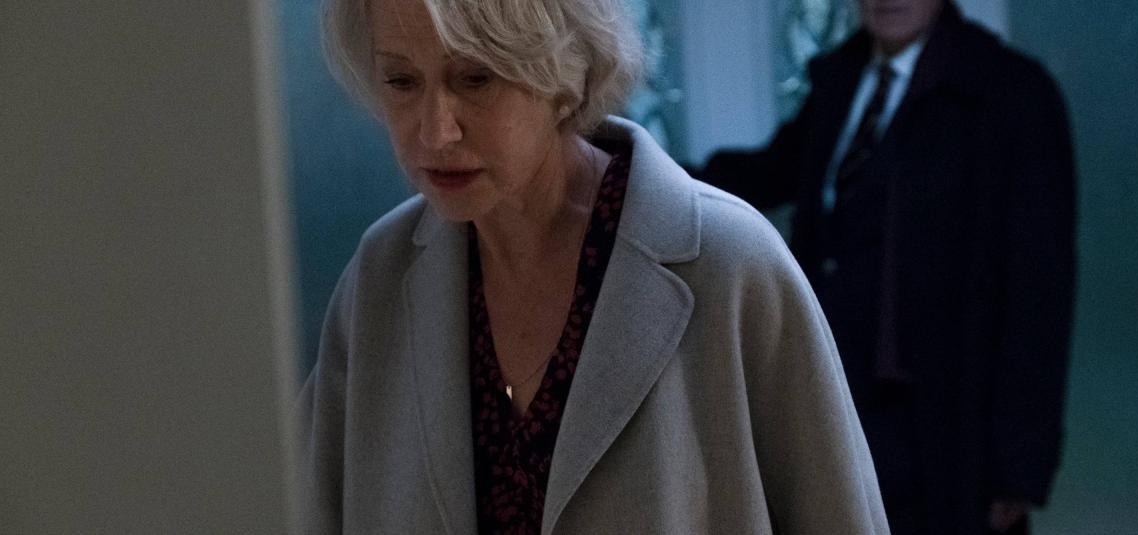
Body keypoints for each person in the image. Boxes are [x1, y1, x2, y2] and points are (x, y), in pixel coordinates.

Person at [296, 0, 889, 533]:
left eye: (476, 78)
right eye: (401, 81)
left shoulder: (730, 263)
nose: (435, 131)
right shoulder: (380, 277)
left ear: (564, 70)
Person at [695, 1, 1076, 534]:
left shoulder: (1010, 94)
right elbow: (766, 173)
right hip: (840, 405)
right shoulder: (842, 78)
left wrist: (1019, 464)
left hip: (945, 424)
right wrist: (639, 173)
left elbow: (1038, 291)